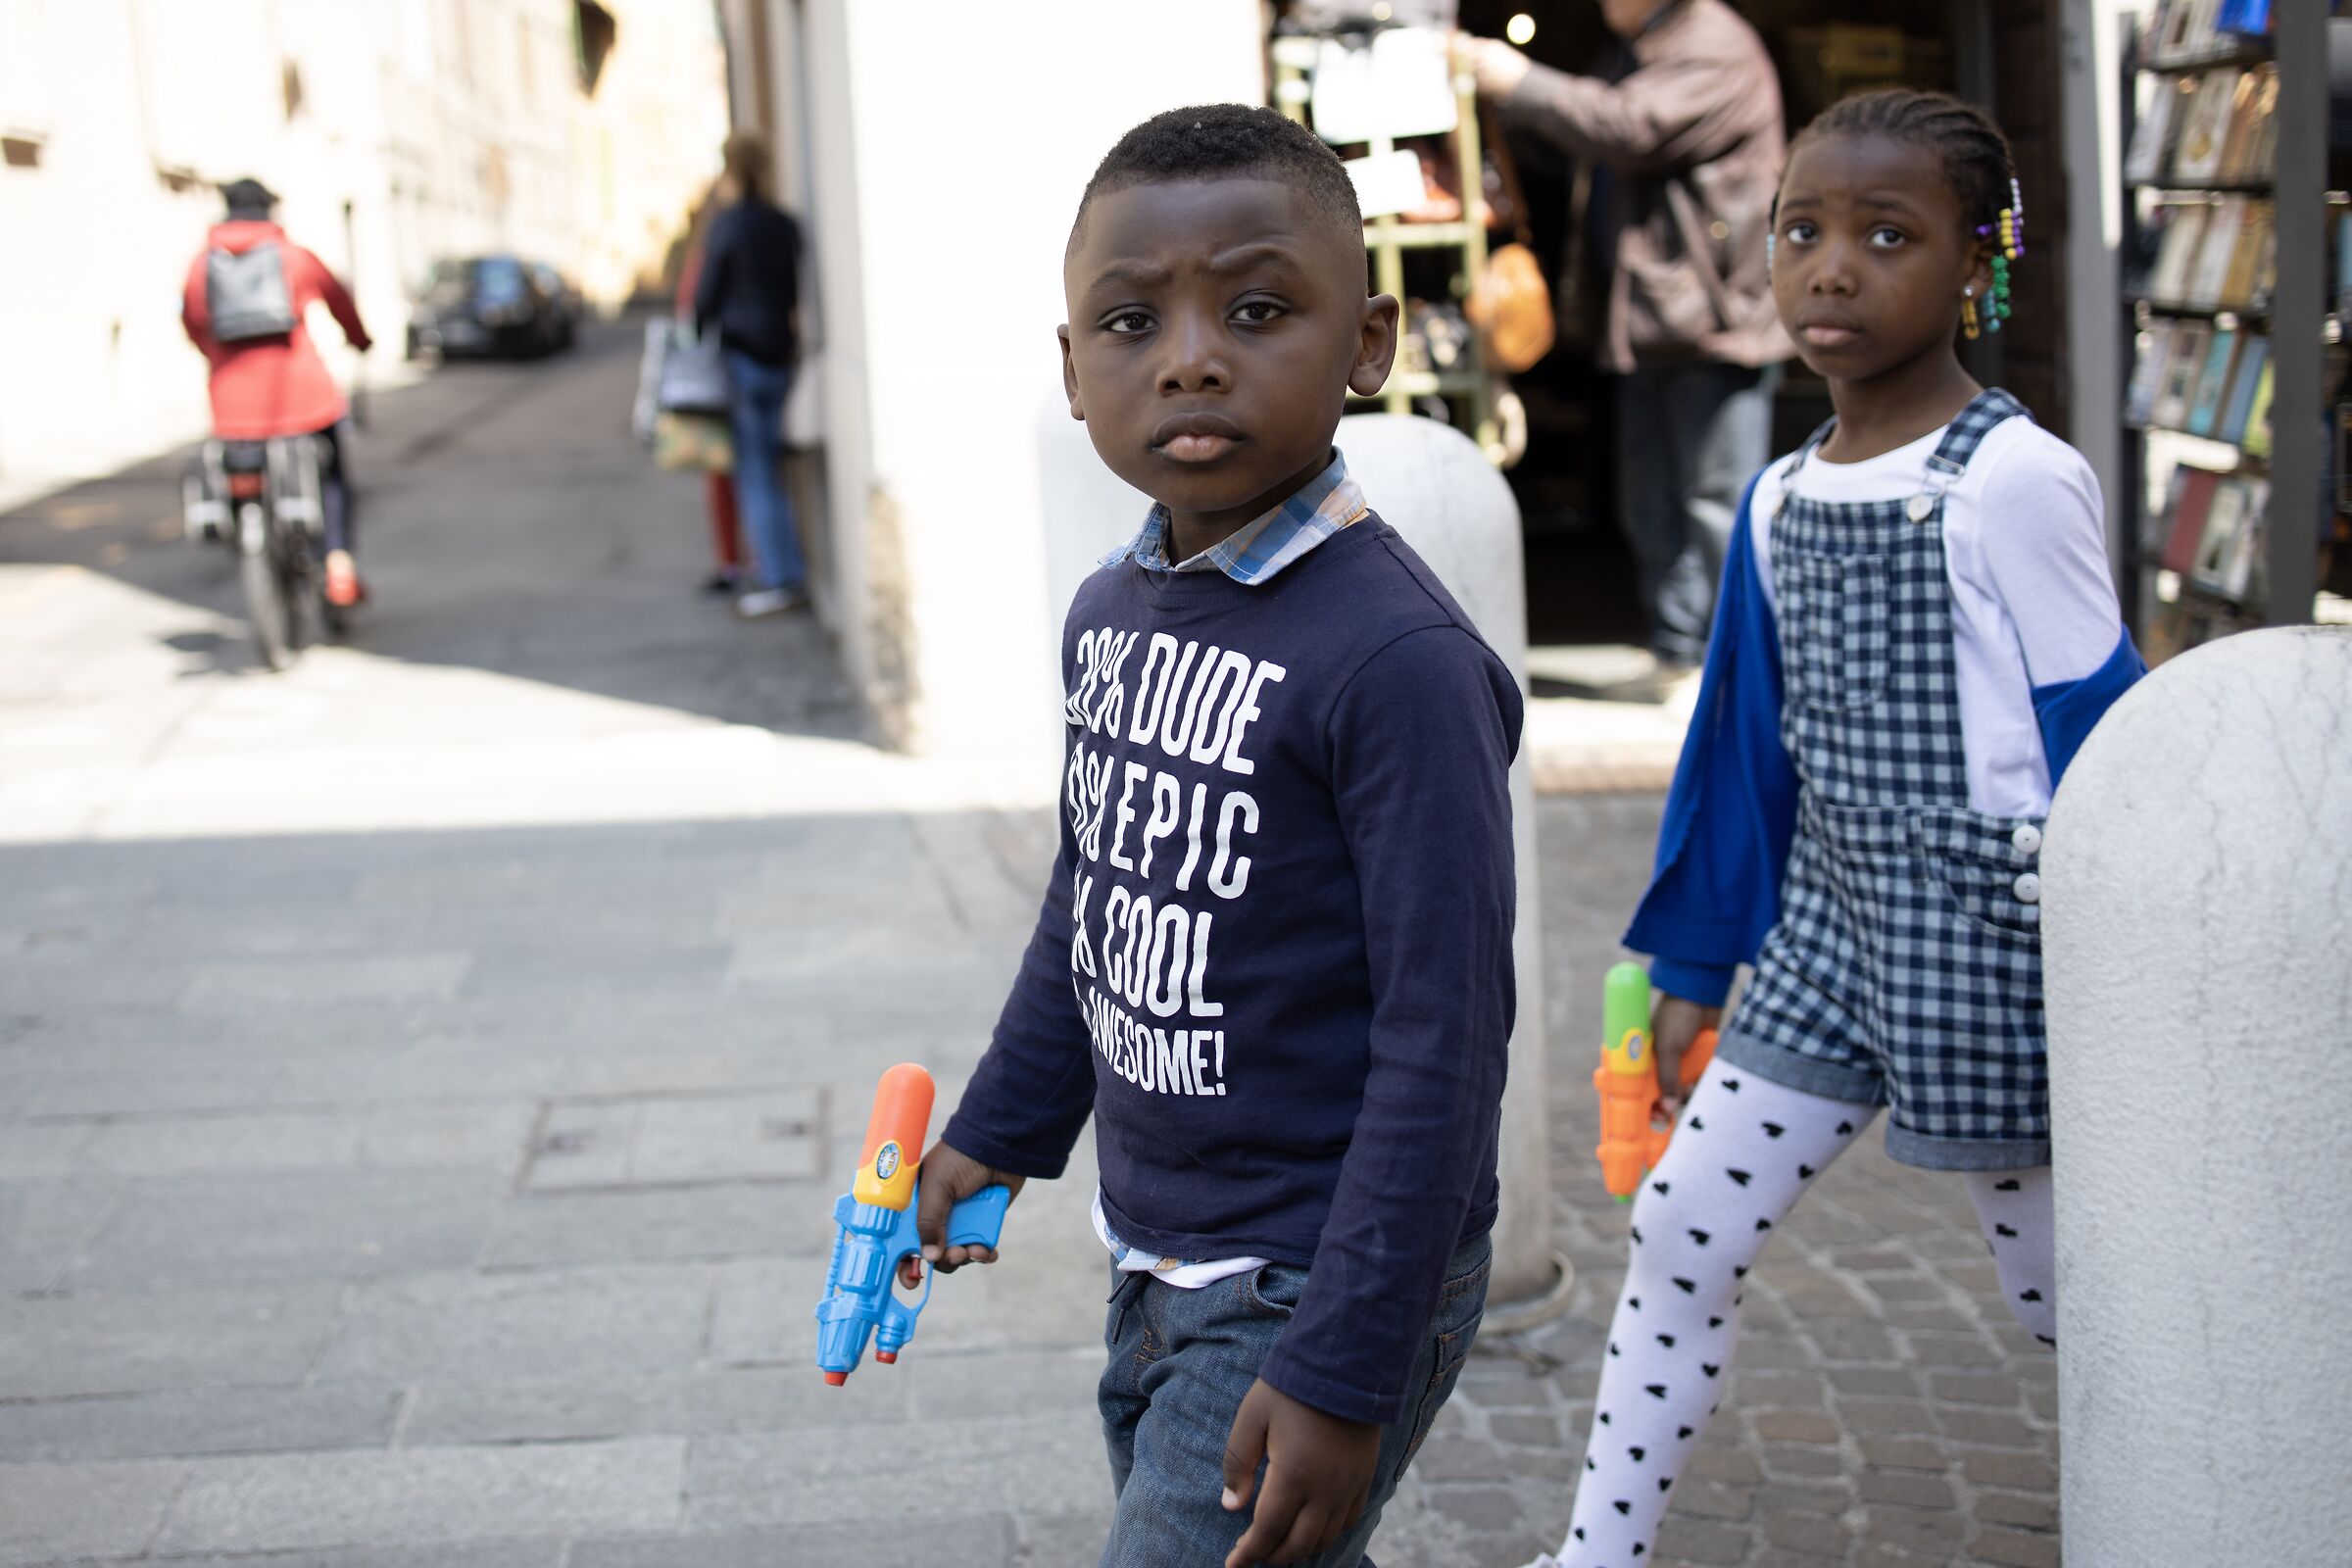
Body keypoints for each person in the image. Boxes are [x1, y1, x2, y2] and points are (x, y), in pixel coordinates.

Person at [1522, 90, 2146, 1568]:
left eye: (1888, 236)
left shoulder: (2017, 482)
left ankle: (2214, 1496)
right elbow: (1743, 747)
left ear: (1979, 264)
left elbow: (2109, 738)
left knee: (2075, 1300)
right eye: (1803, 232)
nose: (1834, 269)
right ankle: (1596, 1558)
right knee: (1679, 1233)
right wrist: (1695, 963)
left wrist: (2137, 990)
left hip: (1990, 945)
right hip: (1827, 930)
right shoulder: (1781, 496)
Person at [909, 104, 1522, 1567]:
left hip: (1313, 1277)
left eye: (1257, 309)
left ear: (1367, 344)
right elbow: (1097, 897)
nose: (1190, 354)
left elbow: (1448, 1034)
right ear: (1073, 370)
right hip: (1156, 1246)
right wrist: (999, 1133)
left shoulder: (1395, 661)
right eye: (1131, 320)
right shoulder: (1113, 614)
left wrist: (1343, 1357)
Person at [1458, 0, 1790, 683]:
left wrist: (1521, 80)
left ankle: (1730, 668)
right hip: (1657, 320)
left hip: (1716, 318)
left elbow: (1631, 126)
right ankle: (1678, 653)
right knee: (1651, 499)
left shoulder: (1714, 44)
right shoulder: (1641, 44)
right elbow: (1585, 135)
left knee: (1715, 503)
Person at [180, 177, 372, 607]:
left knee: (241, 472)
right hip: (303, 397)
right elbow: (339, 301)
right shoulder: (293, 257)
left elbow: (193, 324)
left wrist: (220, 359)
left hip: (233, 405)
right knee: (334, 474)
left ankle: (251, 536)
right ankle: (339, 564)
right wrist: (360, 340)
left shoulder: (202, 265)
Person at [693, 133, 808, 618]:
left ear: (730, 169)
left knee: (757, 476)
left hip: (742, 361)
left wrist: (698, 339)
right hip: (781, 360)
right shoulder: (785, 225)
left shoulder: (728, 226)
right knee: (771, 472)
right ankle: (781, 570)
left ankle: (780, 578)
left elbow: (706, 299)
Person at [677, 187, 747, 597]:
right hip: (749, 364)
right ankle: (750, 562)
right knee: (751, 470)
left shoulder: (706, 256)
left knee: (723, 472)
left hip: (717, 375)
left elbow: (693, 313)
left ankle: (733, 564)